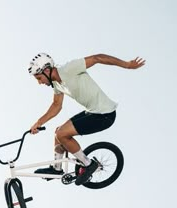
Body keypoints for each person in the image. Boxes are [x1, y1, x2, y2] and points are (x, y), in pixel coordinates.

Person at [29, 52, 145, 185]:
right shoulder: (56, 85)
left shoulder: (68, 69)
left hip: (104, 114)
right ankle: (57, 169)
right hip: (92, 112)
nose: (39, 83)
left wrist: (127, 65)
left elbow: (97, 58)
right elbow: (56, 106)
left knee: (62, 134)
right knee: (58, 133)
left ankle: (89, 165)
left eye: (39, 78)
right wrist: (39, 122)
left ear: (47, 70)